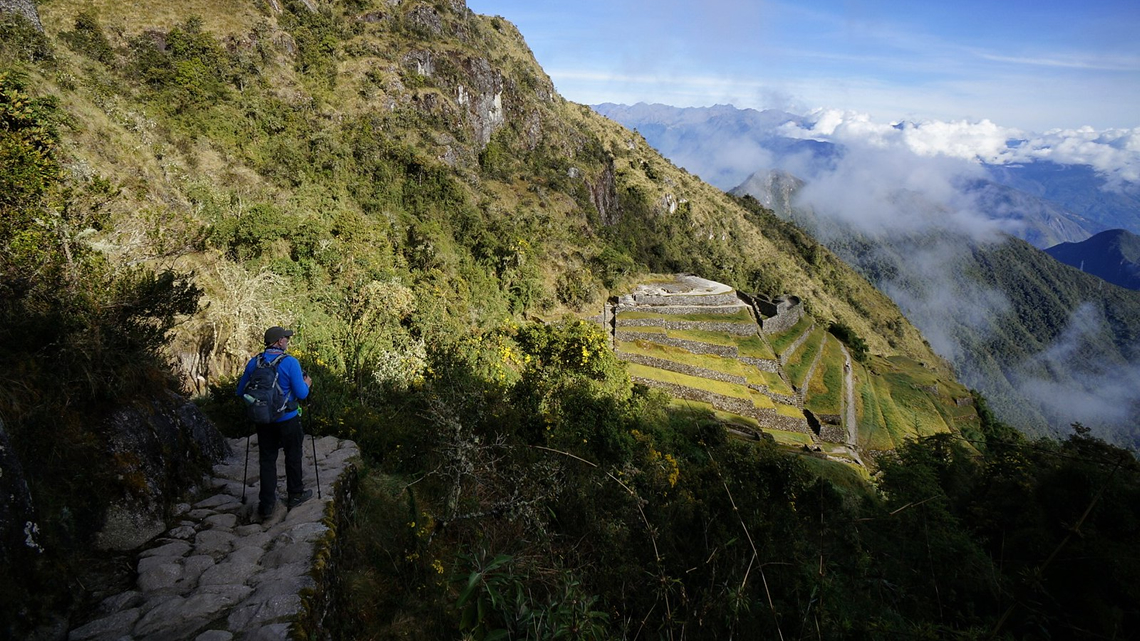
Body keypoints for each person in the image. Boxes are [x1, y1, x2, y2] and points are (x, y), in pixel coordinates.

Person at [236, 326, 313, 518]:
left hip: (263, 420)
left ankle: (267, 504)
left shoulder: (255, 362)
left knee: (267, 460)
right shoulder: (290, 363)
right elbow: (302, 394)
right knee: (293, 455)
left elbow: (240, 391)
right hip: (288, 419)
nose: (288, 341)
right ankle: (295, 494)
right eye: (286, 338)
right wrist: (307, 384)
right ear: (279, 342)